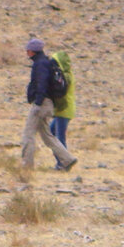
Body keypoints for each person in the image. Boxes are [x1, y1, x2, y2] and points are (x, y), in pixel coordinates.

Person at [21, 38, 77, 171]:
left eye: (28, 50)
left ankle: (27, 166)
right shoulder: (45, 62)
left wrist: (38, 102)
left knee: (28, 134)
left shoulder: (40, 64)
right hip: (48, 104)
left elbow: (42, 84)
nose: (26, 52)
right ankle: (67, 159)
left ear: (32, 51)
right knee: (47, 136)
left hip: (41, 104)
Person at [48, 49, 75, 154]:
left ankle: (63, 162)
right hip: (65, 110)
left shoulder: (64, 77)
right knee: (51, 132)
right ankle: (62, 161)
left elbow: (59, 91)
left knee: (60, 138)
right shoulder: (66, 74)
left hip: (64, 110)